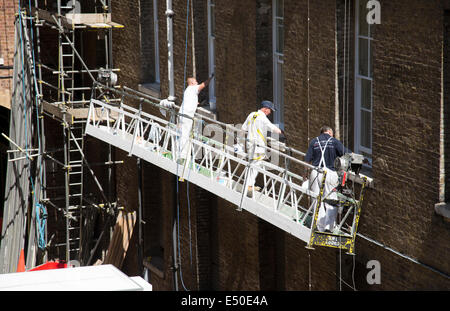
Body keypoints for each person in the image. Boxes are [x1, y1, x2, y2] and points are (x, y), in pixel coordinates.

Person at [305, 125, 351, 232]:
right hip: (330, 173)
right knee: (331, 199)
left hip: (316, 172)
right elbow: (347, 154)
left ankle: (320, 227)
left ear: (321, 133)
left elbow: (307, 160)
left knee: (316, 199)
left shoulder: (314, 142)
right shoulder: (334, 141)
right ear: (330, 132)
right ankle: (329, 227)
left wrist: (305, 174)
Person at [241, 100, 283, 195]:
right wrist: (281, 131)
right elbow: (273, 128)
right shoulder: (262, 118)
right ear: (265, 109)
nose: (270, 112)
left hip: (250, 144)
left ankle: (248, 184)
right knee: (256, 164)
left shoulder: (252, 114)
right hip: (258, 145)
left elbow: (243, 128)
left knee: (251, 163)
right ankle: (249, 185)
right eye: (270, 110)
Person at [177, 74, 214, 161]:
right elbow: (203, 85)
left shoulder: (187, 91)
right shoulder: (193, 88)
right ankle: (183, 156)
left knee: (182, 134)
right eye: (196, 81)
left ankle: (181, 154)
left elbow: (191, 101)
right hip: (187, 116)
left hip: (182, 114)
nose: (197, 82)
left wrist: (199, 104)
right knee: (185, 135)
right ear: (192, 82)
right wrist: (211, 77)